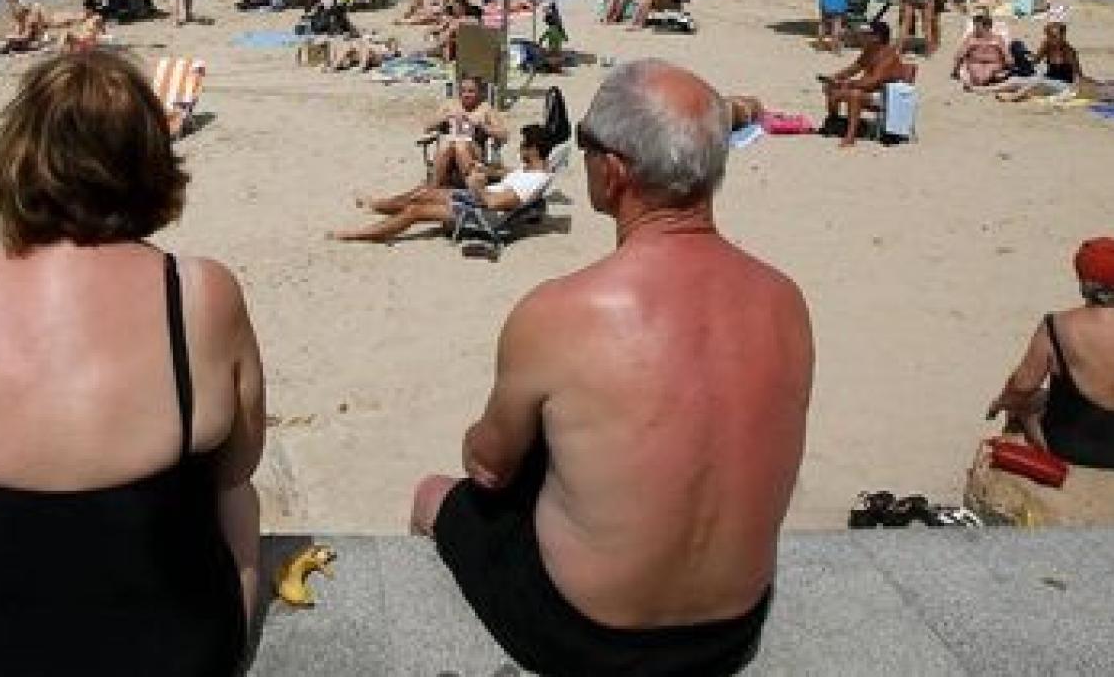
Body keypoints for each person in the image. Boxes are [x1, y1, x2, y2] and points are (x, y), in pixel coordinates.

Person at [411, 62, 813, 676]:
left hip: (590, 638)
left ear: (615, 171)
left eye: (586, 143)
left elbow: (488, 469)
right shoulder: (785, 301)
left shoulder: (561, 312)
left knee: (438, 497)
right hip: (735, 629)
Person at [0, 51, 264, 675]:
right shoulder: (198, 293)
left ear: (19, 158)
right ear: (150, 163)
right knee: (239, 498)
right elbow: (239, 464)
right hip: (167, 658)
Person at [986, 237, 1114, 473]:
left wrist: (1000, 403)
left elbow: (1022, 385)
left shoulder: (1057, 326)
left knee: (1022, 405)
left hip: (1071, 447)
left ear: (1083, 282)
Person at [332, 125, 555, 243]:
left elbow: (495, 203)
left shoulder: (534, 180)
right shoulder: (534, 170)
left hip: (479, 212)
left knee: (415, 211)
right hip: (476, 200)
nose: (520, 148)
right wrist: (487, 170)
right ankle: (377, 206)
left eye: (524, 145)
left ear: (533, 149)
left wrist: (476, 184)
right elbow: (509, 174)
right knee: (424, 192)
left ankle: (357, 235)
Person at [821, 20, 907, 149]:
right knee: (832, 88)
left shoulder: (888, 56)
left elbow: (873, 81)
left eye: (867, 34)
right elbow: (853, 69)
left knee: (855, 95)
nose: (863, 36)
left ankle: (850, 137)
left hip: (886, 96)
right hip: (871, 90)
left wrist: (847, 84)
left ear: (877, 38)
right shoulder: (870, 50)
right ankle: (834, 122)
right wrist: (834, 78)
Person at [427, 77, 509, 188]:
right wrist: (445, 117)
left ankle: (473, 188)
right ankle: (435, 187)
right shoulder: (449, 105)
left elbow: (504, 135)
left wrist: (482, 125)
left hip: (474, 150)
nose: (466, 95)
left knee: (460, 145)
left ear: (479, 93)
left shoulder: (485, 109)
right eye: (463, 91)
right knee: (447, 145)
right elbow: (428, 127)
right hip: (449, 147)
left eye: (471, 91)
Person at [980, 22, 1087, 102]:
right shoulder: (1047, 46)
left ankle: (1013, 97)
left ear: (1063, 36)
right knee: (1016, 79)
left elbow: (1078, 75)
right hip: (1048, 79)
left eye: (1054, 36)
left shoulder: (1068, 52)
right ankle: (984, 90)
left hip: (1064, 85)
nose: (1051, 39)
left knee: (1037, 81)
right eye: (1049, 35)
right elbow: (1035, 62)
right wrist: (1024, 56)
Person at [952, 12, 1012, 90]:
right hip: (975, 63)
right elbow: (959, 55)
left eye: (978, 27)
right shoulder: (971, 39)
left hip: (993, 64)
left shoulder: (997, 39)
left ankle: (988, 80)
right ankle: (987, 81)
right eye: (975, 26)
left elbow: (1007, 56)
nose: (975, 29)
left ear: (987, 27)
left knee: (985, 75)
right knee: (980, 77)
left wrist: (1007, 68)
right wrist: (956, 70)